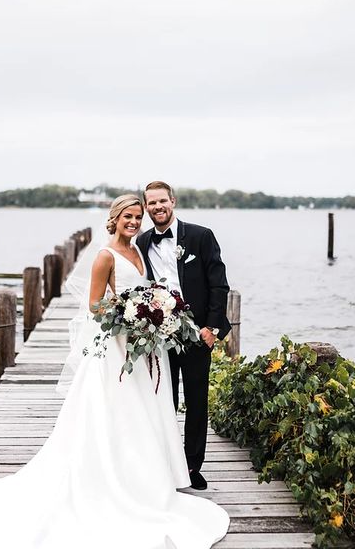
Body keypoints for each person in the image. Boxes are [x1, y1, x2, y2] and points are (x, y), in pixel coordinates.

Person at [0, 194, 229, 549]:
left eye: (138, 216)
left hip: (142, 347)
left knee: (145, 412)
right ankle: (110, 481)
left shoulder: (140, 249)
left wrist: (153, 311)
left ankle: (148, 478)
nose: (135, 221)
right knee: (116, 414)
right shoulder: (104, 255)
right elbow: (94, 305)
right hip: (117, 348)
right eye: (129, 215)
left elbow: (160, 287)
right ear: (115, 218)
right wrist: (129, 312)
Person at [137, 182, 231, 491]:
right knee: (163, 399)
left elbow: (219, 285)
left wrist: (213, 328)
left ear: (172, 202)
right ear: (146, 207)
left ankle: (192, 466)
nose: (157, 207)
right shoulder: (142, 241)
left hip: (196, 334)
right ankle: (165, 461)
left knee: (196, 400)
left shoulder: (201, 236)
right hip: (159, 335)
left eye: (162, 200)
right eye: (151, 203)